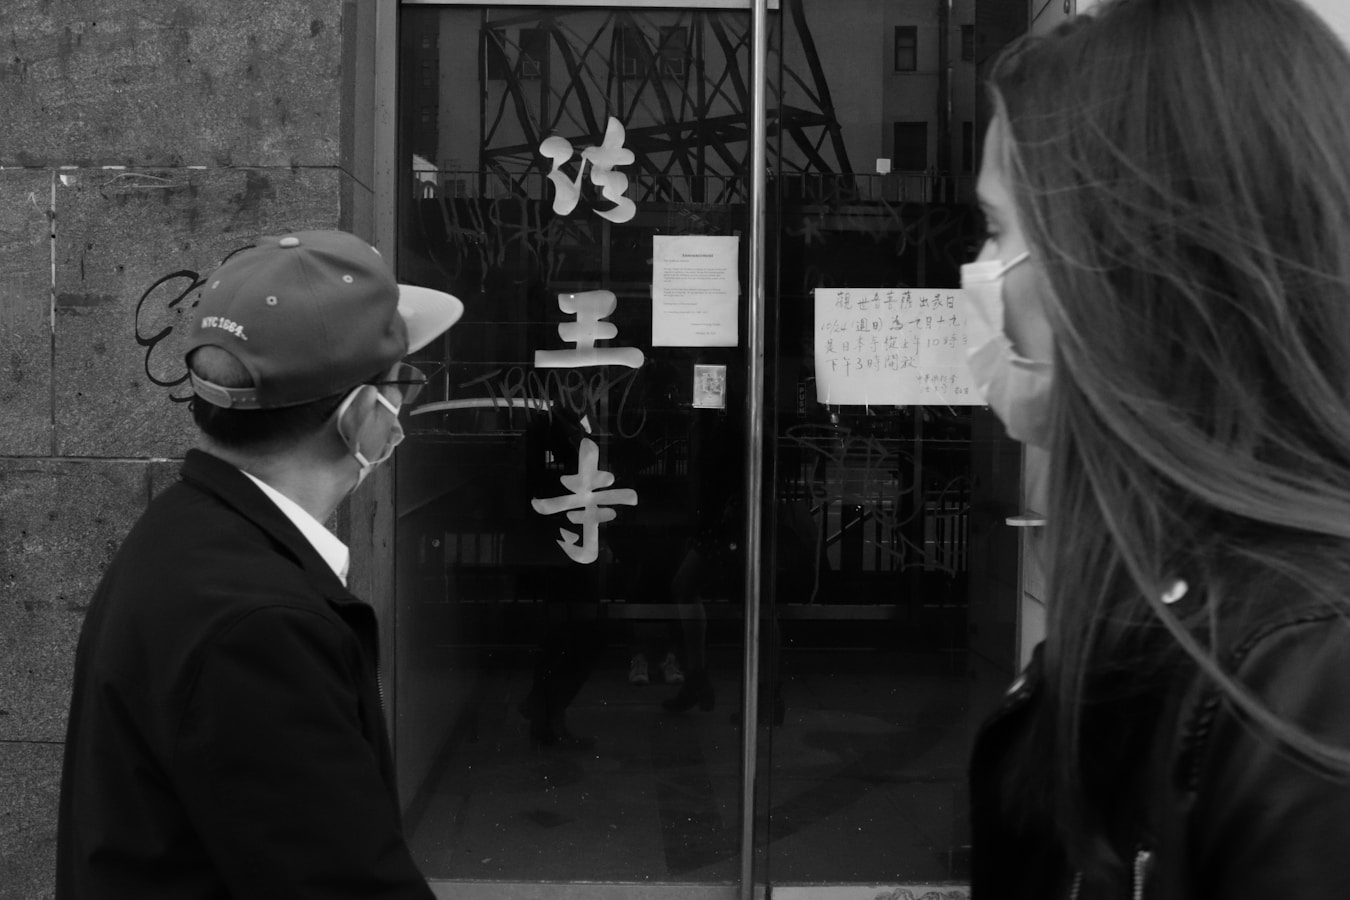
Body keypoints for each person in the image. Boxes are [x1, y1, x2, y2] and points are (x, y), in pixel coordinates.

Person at [963, 1, 1350, 897]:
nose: (979, 280)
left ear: (1125, 261)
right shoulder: (1159, 598)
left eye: (995, 231)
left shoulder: (1307, 684)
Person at [55, 231, 463, 899]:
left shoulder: (186, 533)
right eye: (403, 385)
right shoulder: (259, 628)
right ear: (363, 416)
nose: (402, 409)